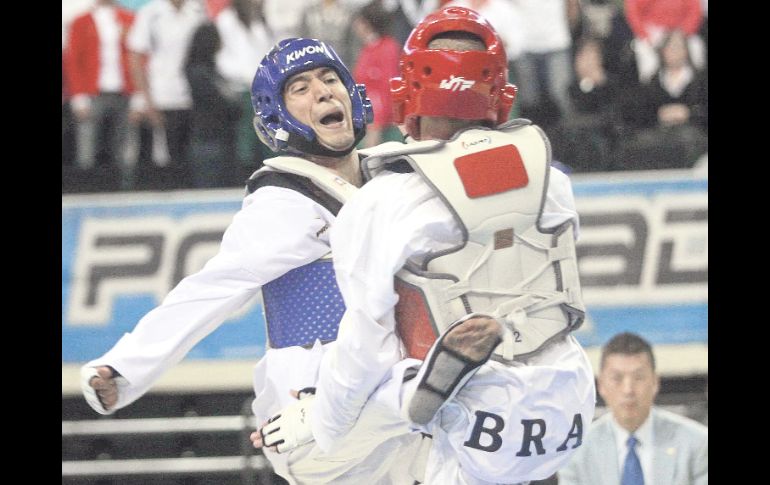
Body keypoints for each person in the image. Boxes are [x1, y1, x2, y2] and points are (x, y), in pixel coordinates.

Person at [258, 7, 597, 484]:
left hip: (480, 414)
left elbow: (365, 353)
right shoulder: (553, 181)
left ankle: (413, 388)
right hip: (571, 404)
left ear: (404, 98)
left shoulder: (384, 202)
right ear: (503, 97)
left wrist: (322, 419)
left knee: (319, 444)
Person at [80, 37, 425, 484]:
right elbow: (210, 291)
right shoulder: (282, 201)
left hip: (398, 405)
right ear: (277, 115)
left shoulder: (398, 174)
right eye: (300, 88)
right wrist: (124, 366)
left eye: (329, 78)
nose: (323, 92)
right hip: (317, 410)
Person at [558, 332, 708, 484]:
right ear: (601, 385)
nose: (628, 390)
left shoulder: (697, 444)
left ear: (655, 382)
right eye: (617, 378)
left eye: (638, 377)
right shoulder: (576, 450)